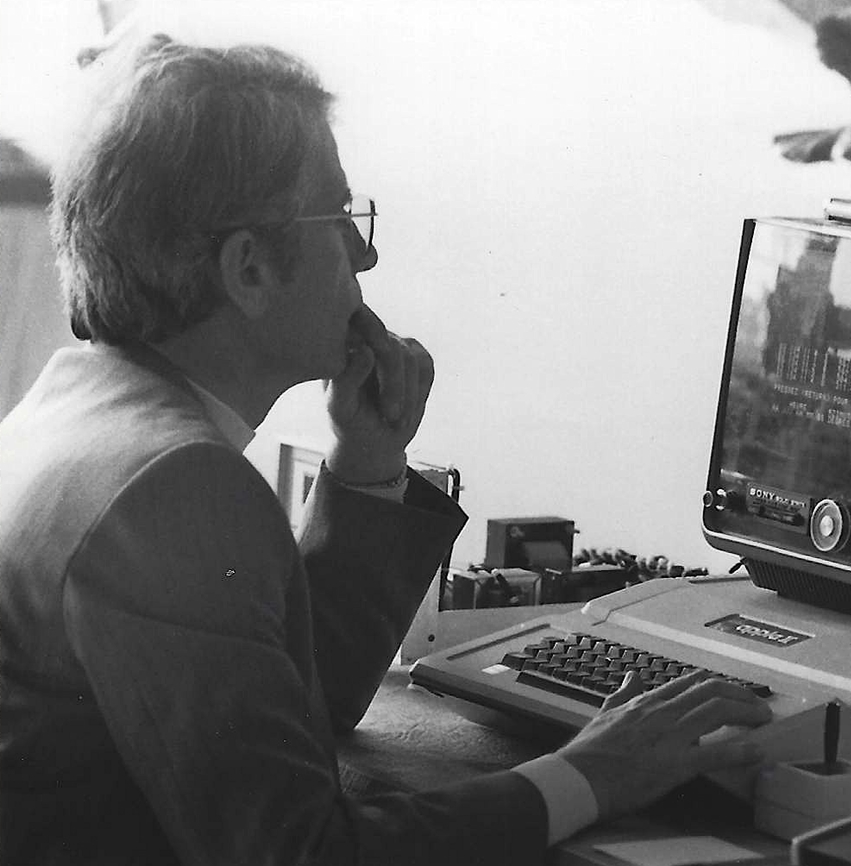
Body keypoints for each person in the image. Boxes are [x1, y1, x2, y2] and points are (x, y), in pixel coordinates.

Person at [0, 34, 772, 865]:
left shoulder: (71, 417)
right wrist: (591, 776)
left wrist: (366, 467)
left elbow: (290, 717)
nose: (365, 255)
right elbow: (304, 855)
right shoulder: (173, 486)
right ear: (248, 268)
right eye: (340, 219)